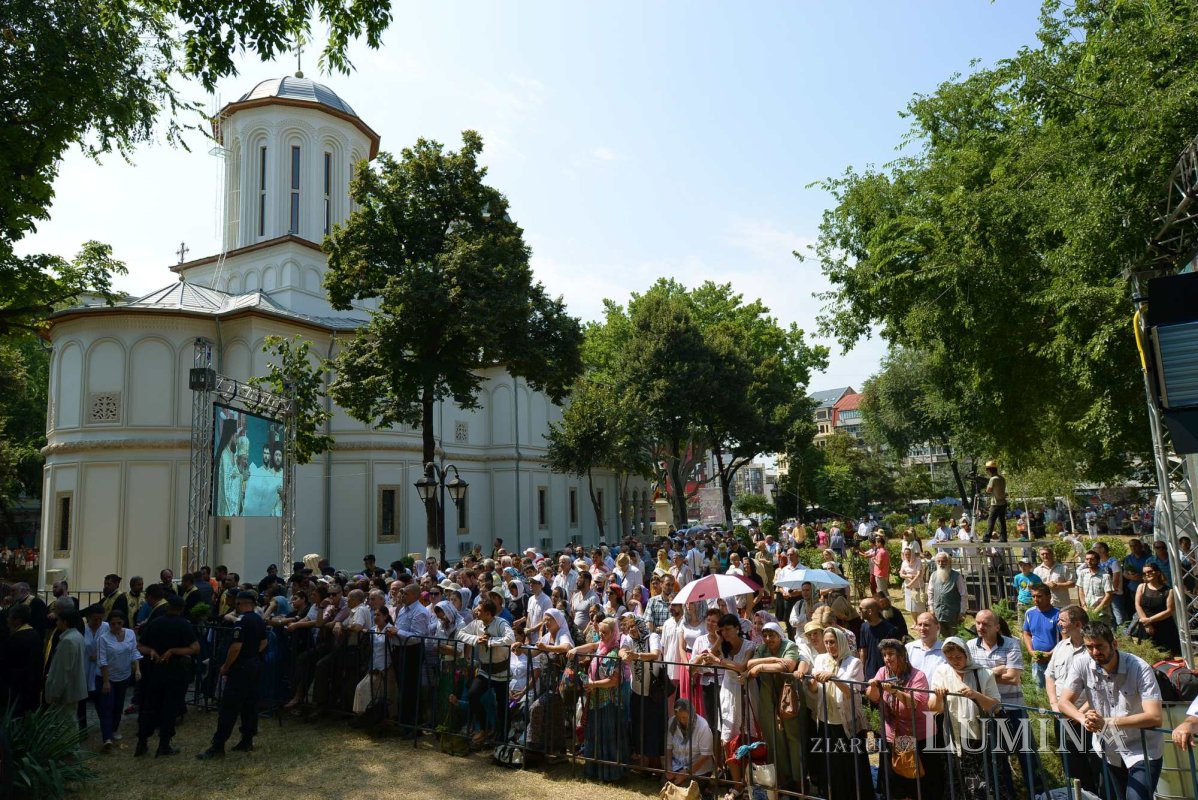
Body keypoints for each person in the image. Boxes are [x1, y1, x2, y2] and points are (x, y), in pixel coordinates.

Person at [1058, 622, 1164, 800]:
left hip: (1142, 748)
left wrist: (1107, 722)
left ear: (1114, 644)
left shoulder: (1139, 668)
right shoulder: (1082, 663)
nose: (1094, 652)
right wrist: (1083, 719)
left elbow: (1154, 717)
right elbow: (1063, 703)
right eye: (1089, 647)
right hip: (1108, 749)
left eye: (1099, 646)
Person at [968, 609, 1039, 797]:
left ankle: (1037, 793)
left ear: (997, 627)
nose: (980, 627)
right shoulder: (969, 646)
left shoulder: (1011, 644)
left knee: (1027, 756)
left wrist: (983, 675)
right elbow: (970, 678)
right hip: (989, 711)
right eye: (978, 623)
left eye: (985, 624)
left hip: (1014, 708)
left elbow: (1014, 678)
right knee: (999, 759)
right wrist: (995, 672)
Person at [197, 590, 267, 758]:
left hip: (241, 668)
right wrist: (252, 655)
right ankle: (247, 739)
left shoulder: (242, 621)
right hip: (254, 665)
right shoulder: (259, 620)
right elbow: (264, 641)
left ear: (240, 603)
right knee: (250, 704)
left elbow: (236, 647)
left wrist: (226, 666)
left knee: (229, 706)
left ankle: (218, 745)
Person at [927, 636, 1001, 795]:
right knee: (955, 782)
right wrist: (939, 697)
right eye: (950, 657)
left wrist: (976, 695)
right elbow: (934, 708)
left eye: (958, 657)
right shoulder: (942, 672)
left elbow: (995, 706)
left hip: (978, 737)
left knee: (979, 785)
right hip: (952, 736)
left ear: (967, 654)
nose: (954, 661)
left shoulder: (983, 672)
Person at [805, 625, 872, 800]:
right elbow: (813, 690)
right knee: (831, 763)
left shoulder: (854, 662)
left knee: (851, 762)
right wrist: (812, 681)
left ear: (840, 642)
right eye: (826, 642)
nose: (829, 646)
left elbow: (851, 690)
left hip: (847, 721)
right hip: (826, 718)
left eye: (833, 642)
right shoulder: (820, 659)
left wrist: (833, 678)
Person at [865, 638, 936, 800]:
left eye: (891, 654)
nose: (887, 658)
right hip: (893, 736)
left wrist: (895, 691)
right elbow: (873, 697)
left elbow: (914, 702)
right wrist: (873, 686)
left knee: (917, 784)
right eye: (884, 655)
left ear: (902, 656)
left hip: (919, 736)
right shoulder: (883, 671)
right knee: (894, 784)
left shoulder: (917, 676)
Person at [694, 613, 754, 790]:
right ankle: (736, 783)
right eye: (722, 630)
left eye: (728, 629)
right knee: (727, 738)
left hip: (745, 692)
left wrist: (719, 660)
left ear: (737, 628)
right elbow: (708, 656)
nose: (725, 633)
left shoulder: (749, 645)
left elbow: (742, 666)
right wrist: (719, 640)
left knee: (746, 736)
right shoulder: (723, 646)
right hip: (727, 691)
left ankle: (747, 782)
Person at [745, 621, 807, 792]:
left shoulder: (790, 645)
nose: (767, 638)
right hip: (768, 698)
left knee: (793, 738)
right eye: (764, 635)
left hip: (788, 697)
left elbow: (788, 665)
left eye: (771, 635)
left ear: (779, 635)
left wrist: (762, 666)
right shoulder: (763, 648)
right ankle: (783, 777)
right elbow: (750, 664)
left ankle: (799, 780)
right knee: (774, 737)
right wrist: (772, 660)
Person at [1044, 605, 1099, 795]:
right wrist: (1054, 704)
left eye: (1062, 620)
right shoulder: (1061, 646)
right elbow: (1049, 676)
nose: (1058, 623)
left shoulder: (1092, 650)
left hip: (1085, 720)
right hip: (1060, 717)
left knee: (1093, 767)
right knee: (1072, 768)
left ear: (1077, 624)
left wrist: (1077, 715)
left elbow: (1098, 689)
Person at [455, 599, 515, 746]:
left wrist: (489, 642)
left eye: (480, 610)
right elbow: (460, 634)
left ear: (488, 614)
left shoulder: (501, 623)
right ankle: (484, 727)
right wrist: (476, 639)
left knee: (502, 707)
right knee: (472, 694)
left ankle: (503, 739)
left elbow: (510, 639)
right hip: (485, 671)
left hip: (501, 673)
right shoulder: (476, 623)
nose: (476, 612)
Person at [582, 617, 629, 782]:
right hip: (595, 699)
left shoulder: (614, 653)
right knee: (595, 734)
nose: (601, 635)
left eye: (605, 632)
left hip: (608, 702)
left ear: (613, 633)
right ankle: (594, 770)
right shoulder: (600, 648)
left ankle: (610, 773)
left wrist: (593, 684)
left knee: (608, 736)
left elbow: (614, 680)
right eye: (600, 632)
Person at [97, 609, 141, 749]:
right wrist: (105, 681)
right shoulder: (103, 638)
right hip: (107, 677)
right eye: (113, 623)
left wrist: (137, 669)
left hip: (124, 675)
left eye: (119, 623)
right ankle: (107, 737)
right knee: (107, 706)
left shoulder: (130, 634)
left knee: (118, 705)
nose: (116, 626)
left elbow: (134, 651)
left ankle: (114, 728)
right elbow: (102, 660)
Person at [43, 609, 88, 729]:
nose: (56, 622)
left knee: (65, 724)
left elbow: (63, 671)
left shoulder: (68, 641)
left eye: (58, 620)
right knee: (69, 721)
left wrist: (55, 693)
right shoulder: (77, 636)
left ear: (65, 622)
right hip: (73, 687)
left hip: (66, 690)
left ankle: (72, 748)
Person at [1, 604, 43, 716]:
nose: (7, 620)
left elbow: (7, 665)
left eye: (9, 617)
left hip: (17, 690)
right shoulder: (34, 634)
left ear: (17, 620)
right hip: (31, 688)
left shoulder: (17, 638)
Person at [664, 697, 715, 788]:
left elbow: (705, 756)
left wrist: (687, 772)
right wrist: (669, 768)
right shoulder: (672, 722)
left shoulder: (703, 726)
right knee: (666, 782)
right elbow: (668, 747)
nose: (682, 721)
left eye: (685, 717)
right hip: (678, 765)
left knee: (685, 786)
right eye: (679, 717)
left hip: (698, 769)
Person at [1133, 562, 1180, 656]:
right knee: (1147, 655)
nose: (1147, 574)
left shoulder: (1168, 591)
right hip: (1145, 627)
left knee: (1167, 656)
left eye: (1149, 571)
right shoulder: (1141, 587)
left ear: (1157, 572)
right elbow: (1138, 605)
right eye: (1144, 573)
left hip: (1164, 628)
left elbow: (1169, 611)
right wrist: (1146, 624)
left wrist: (1149, 620)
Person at [1021, 584, 1060, 688]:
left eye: (1039, 596)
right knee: (1039, 691)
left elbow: (1065, 639)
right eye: (1033, 596)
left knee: (1056, 691)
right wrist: (1031, 652)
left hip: (1055, 660)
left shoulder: (1059, 614)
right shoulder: (1030, 613)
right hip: (1037, 660)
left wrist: (1051, 654)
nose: (1035, 599)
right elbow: (1026, 633)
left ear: (1049, 597)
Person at [926, 552, 966, 639]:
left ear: (949, 562)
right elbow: (930, 592)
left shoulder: (957, 576)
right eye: (939, 561)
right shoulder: (933, 575)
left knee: (955, 638)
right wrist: (931, 608)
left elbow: (963, 595)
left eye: (943, 561)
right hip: (938, 613)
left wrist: (962, 611)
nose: (941, 564)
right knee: (940, 637)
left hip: (953, 614)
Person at [856, 597, 896, 679]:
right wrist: (862, 669)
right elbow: (863, 650)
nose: (859, 611)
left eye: (861, 609)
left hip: (886, 673)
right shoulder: (864, 627)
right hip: (870, 672)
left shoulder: (890, 629)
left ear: (870, 611)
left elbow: (894, 653)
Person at [1078, 549, 1115, 624]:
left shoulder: (1105, 576)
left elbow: (1108, 595)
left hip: (1102, 613)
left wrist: (1097, 609)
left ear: (1098, 561)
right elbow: (1080, 590)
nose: (1089, 561)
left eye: (1092, 559)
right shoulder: (1083, 573)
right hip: (1087, 611)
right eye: (1087, 559)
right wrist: (1084, 606)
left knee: (1102, 634)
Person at [905, 611, 945, 678]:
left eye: (926, 625)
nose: (922, 628)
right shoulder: (909, 648)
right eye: (919, 625)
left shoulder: (945, 650)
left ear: (937, 627)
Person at [983, 459, 1008, 541]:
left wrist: (986, 485)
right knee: (1002, 521)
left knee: (991, 520)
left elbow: (988, 490)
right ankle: (1003, 537)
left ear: (990, 470)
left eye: (987, 470)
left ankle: (987, 537)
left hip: (995, 503)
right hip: (1003, 502)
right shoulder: (1002, 478)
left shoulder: (992, 479)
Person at [899, 547, 926, 614]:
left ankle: (920, 620)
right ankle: (915, 622)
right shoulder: (904, 562)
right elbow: (901, 574)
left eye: (909, 554)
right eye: (906, 554)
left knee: (919, 605)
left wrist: (910, 583)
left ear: (912, 554)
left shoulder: (918, 561)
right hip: (908, 587)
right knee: (911, 606)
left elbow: (918, 574)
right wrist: (909, 576)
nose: (907, 556)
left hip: (917, 586)